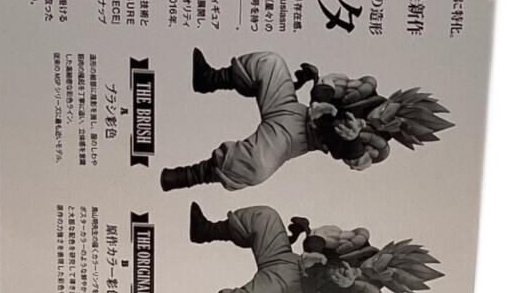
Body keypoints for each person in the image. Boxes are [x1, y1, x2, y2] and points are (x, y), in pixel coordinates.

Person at [159, 49, 452, 192]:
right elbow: (331, 82)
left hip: (294, 140)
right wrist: (322, 99)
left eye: (395, 123)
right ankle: (210, 79)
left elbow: (357, 161)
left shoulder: (379, 146)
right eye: (393, 110)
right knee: (270, 63)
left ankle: (188, 176)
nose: (386, 116)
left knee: (256, 166)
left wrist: (350, 141)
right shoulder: (368, 90)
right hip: (293, 109)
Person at [157, 202, 443, 293]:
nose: (380, 265)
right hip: (286, 258)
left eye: (388, 271)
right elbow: (324, 237)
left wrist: (345, 289)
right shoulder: (360, 244)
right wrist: (313, 246)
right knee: (266, 216)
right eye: (388, 259)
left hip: (289, 287)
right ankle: (207, 230)